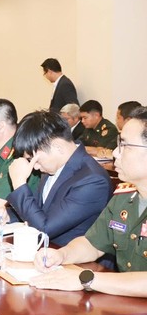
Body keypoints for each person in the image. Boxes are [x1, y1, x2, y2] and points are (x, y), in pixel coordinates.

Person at [29, 107, 147, 297]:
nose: (115, 153)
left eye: (125, 145)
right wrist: (62, 255)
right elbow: (93, 243)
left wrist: (86, 279)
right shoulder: (125, 197)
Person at [5, 111, 112, 246]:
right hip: (47, 252)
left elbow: (44, 229)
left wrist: (19, 183)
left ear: (57, 147)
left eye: (34, 159)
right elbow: (39, 210)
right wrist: (9, 214)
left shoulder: (92, 180)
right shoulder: (53, 166)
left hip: (74, 260)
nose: (35, 167)